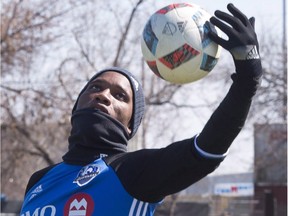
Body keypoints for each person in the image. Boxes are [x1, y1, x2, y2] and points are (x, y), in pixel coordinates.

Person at [20, 3, 262, 216]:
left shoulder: (134, 171)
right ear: (77, 105)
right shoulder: (39, 181)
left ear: (129, 125)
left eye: (119, 96)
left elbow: (206, 149)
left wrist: (247, 81)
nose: (104, 95)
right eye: (96, 87)